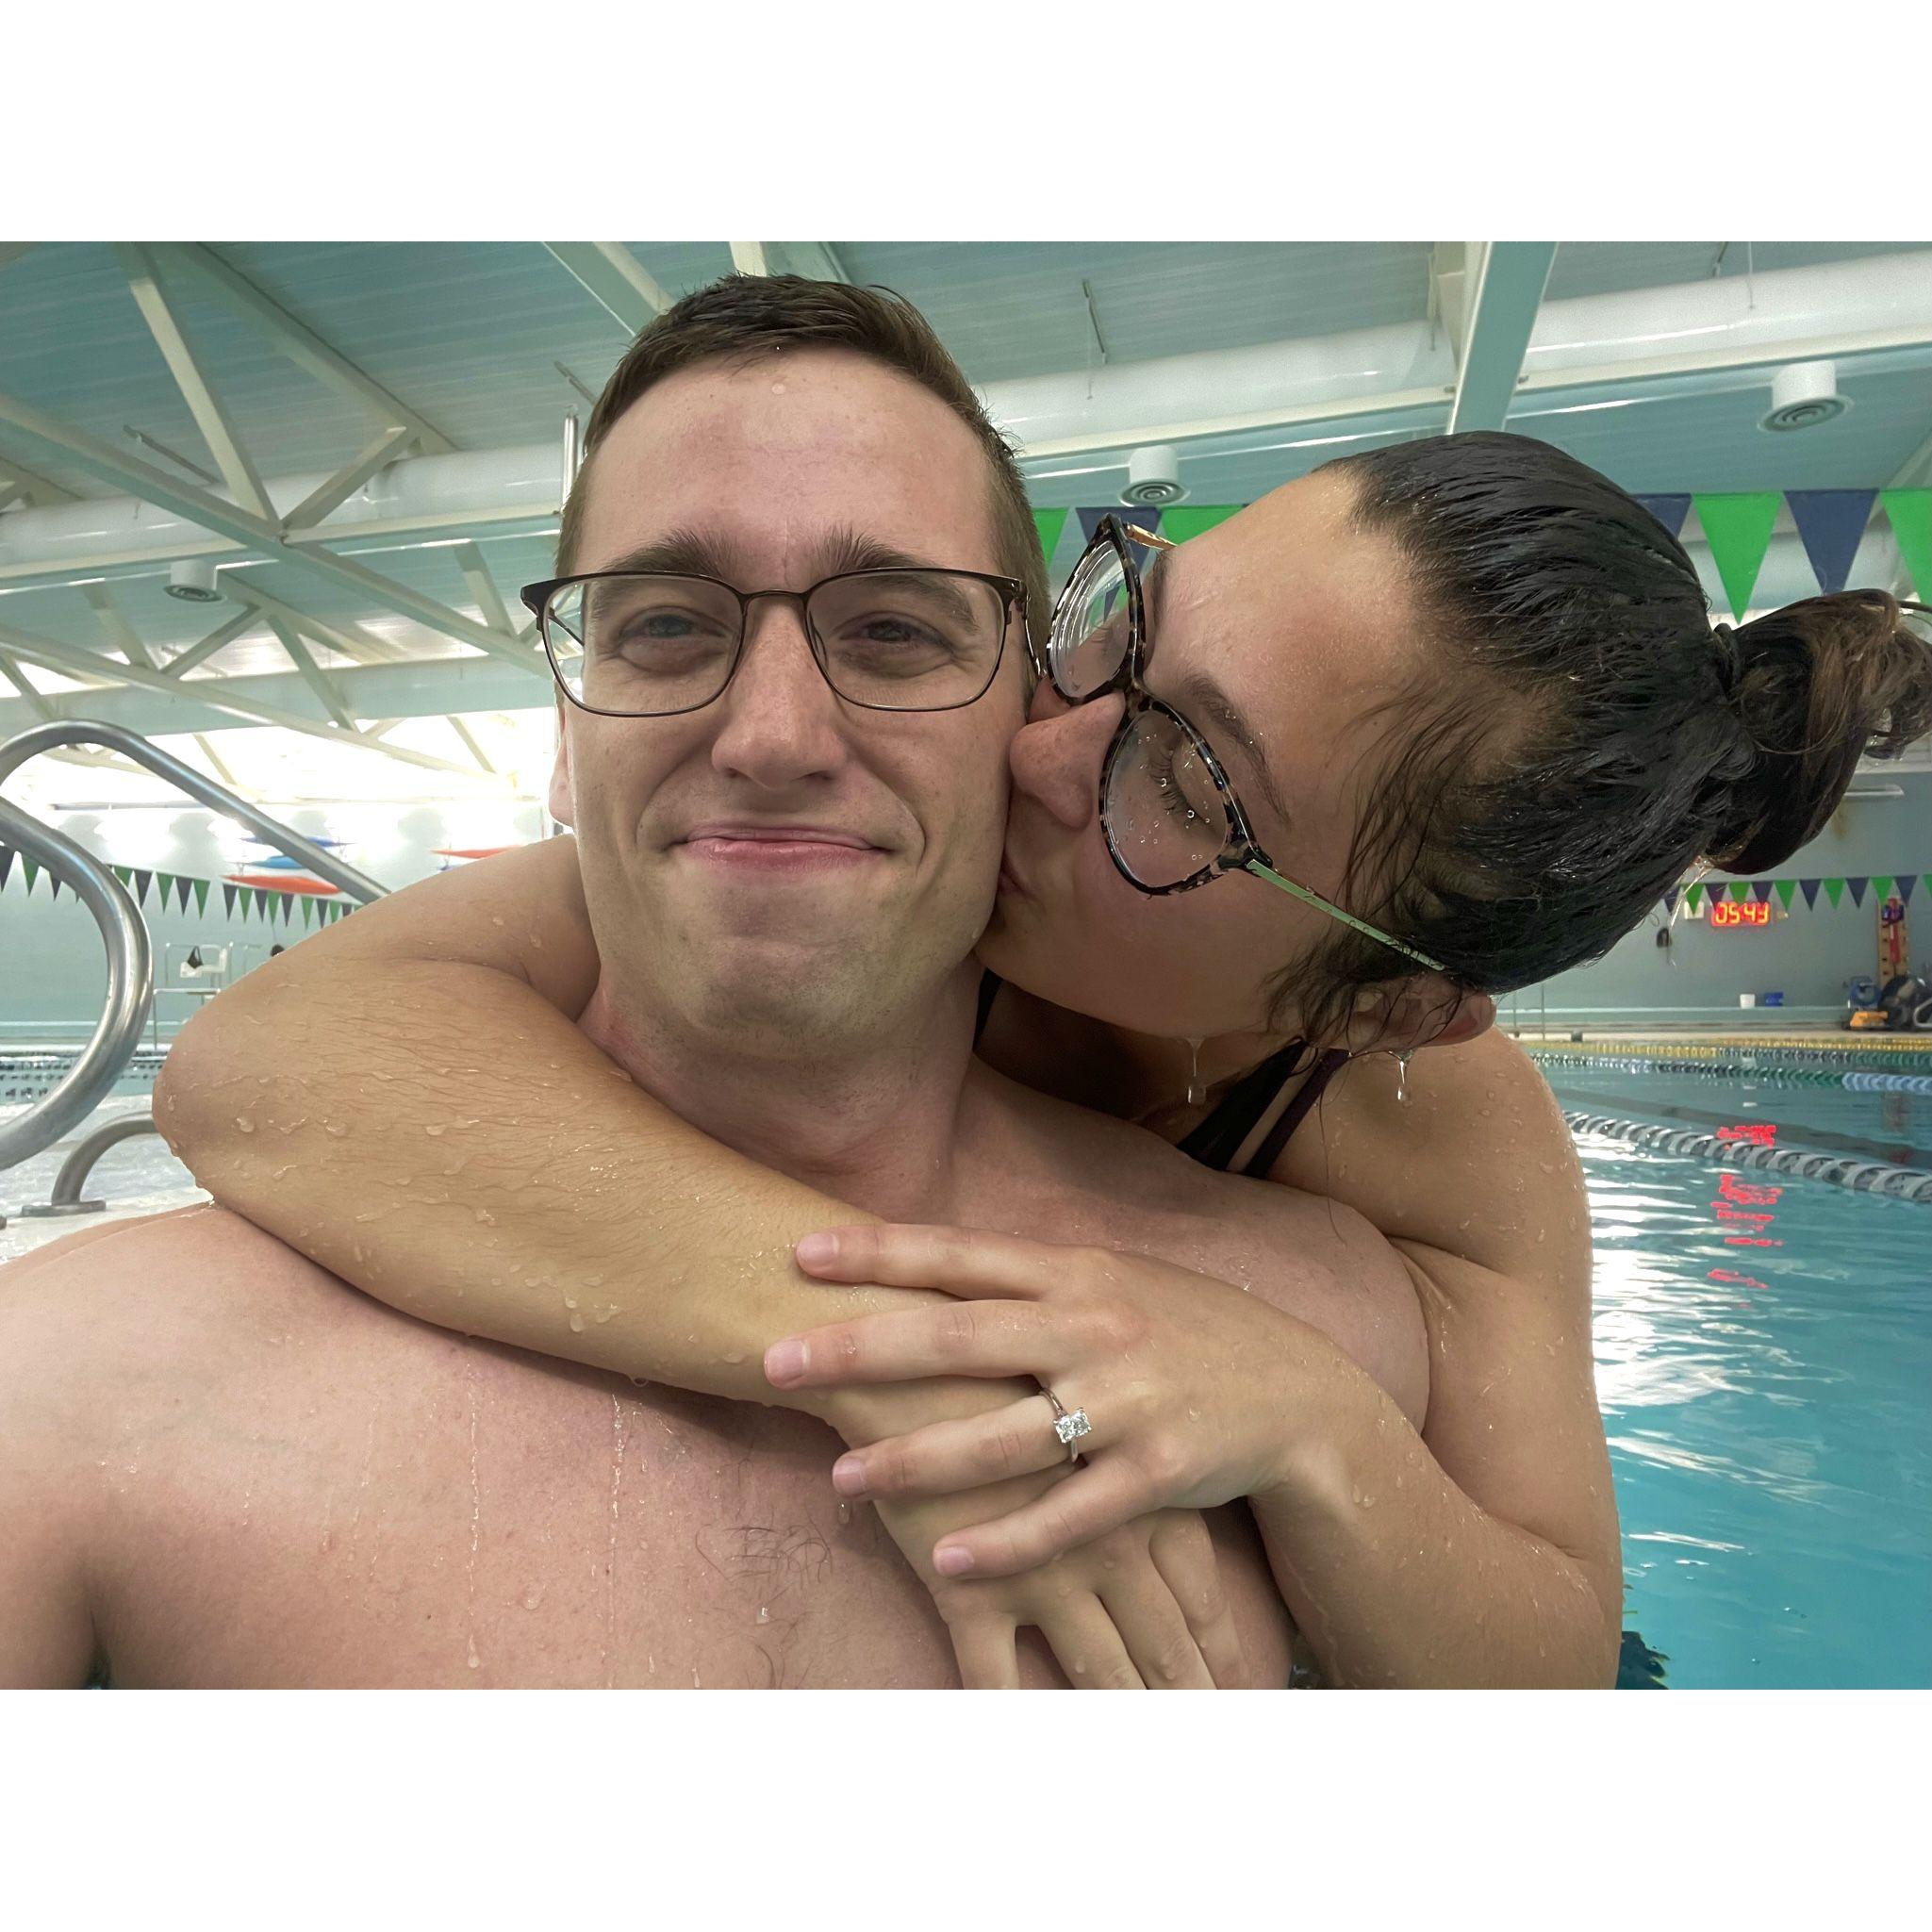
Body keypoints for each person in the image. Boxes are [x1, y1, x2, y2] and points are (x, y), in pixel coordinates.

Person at [157, 276, 1932, 1684]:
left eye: (1187, 781)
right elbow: (277, 1060)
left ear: (1371, 999)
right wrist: (929, 1364)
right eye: (1122, 626)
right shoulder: (867, 869)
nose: (1040, 744)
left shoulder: (1432, 1129)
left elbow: (1543, 1660)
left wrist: (1314, 1422)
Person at [4, 276, 1442, 1691]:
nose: (769, 734)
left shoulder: (1305, 1337)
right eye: (665, 624)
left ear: (1032, 720)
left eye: (893, 627)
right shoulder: (82, 1389)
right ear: (563, 737)